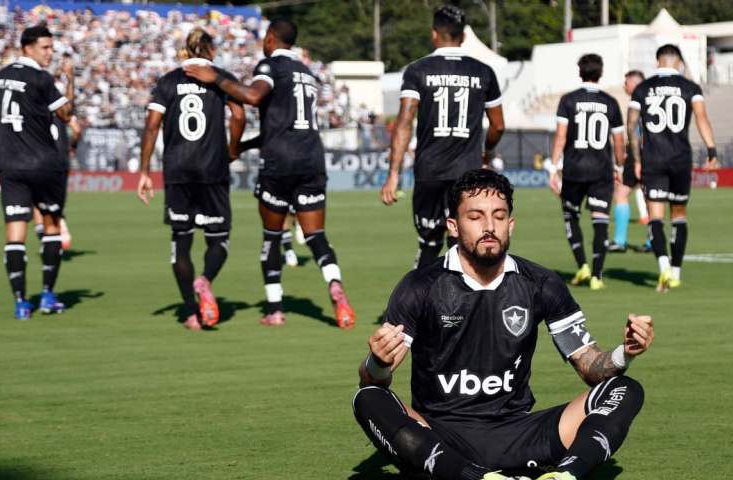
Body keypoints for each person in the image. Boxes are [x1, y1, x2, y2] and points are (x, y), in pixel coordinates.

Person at [352, 169, 653, 480]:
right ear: (453, 226)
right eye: (475, 217)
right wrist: (377, 362)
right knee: (368, 398)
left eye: (498, 216)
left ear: (510, 224)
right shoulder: (419, 286)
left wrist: (625, 353)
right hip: (442, 437)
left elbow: (591, 367)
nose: (489, 226)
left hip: (519, 435)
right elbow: (374, 380)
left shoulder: (541, 283)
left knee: (624, 389)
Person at [184, 17, 356, 329]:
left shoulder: (270, 65)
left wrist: (215, 78)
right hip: (312, 160)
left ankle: (275, 309)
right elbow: (284, 126)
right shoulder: (307, 73)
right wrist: (243, 147)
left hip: (279, 164)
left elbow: (253, 96)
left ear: (271, 38)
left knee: (272, 236)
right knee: (316, 235)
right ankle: (334, 282)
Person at [380, 5, 505, 269]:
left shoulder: (417, 70)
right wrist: (488, 152)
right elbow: (498, 126)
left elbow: (403, 123)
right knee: (464, 241)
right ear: (465, 36)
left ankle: (419, 294)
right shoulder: (484, 72)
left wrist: (394, 173)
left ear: (434, 34)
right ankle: (463, 294)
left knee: (429, 241)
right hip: (468, 172)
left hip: (429, 171)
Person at [137, 28, 245, 330]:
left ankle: (189, 313)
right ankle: (205, 280)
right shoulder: (220, 77)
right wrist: (232, 150)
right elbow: (239, 116)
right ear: (211, 50)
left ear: (187, 50)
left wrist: (144, 172)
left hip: (178, 171)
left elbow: (152, 127)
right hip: (212, 170)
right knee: (218, 238)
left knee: (181, 242)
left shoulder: (168, 81)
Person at [0, 26, 74, 320]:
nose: (50, 53)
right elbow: (66, 114)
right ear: (27, 48)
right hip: (42, 163)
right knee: (51, 227)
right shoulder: (41, 78)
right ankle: (48, 295)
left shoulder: (0, 76)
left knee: (15, 233)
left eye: (52, 48)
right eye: (45, 48)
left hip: (9, 164)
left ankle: (20, 302)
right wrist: (70, 80)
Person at [628, 44, 717, 292]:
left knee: (655, 217)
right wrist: (711, 149)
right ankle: (676, 273)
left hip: (653, 159)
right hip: (680, 159)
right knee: (679, 216)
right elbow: (702, 118)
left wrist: (636, 160)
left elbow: (631, 126)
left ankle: (664, 267)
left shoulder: (642, 89)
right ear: (679, 63)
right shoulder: (691, 87)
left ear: (658, 62)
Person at [547, 54, 625, 290]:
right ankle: (597, 277)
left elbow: (561, 136)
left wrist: (553, 167)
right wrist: (619, 167)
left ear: (579, 73)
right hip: (601, 171)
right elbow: (618, 141)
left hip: (574, 170)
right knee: (600, 221)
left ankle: (582, 266)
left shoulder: (568, 100)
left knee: (571, 216)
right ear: (601, 73)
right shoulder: (611, 102)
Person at [609, 70, 651, 254]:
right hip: (651, 154)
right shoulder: (651, 98)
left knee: (622, 193)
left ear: (634, 84)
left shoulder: (637, 100)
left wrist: (632, 154)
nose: (624, 86)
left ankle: (620, 240)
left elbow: (635, 130)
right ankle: (652, 240)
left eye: (626, 83)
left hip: (638, 154)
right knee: (650, 196)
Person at [34, 114, 81, 250]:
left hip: (40, 160)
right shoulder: (61, 108)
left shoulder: (34, 107)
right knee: (55, 199)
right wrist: (73, 146)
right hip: (60, 162)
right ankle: (59, 218)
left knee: (36, 202)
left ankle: (45, 240)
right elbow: (77, 130)